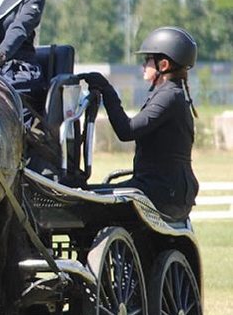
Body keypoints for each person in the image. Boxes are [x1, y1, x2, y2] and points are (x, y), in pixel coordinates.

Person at [78, 27, 200, 222]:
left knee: (84, 200)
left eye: (147, 60)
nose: (143, 66)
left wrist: (107, 91)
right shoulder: (170, 94)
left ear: (164, 64)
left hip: (162, 192)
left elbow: (127, 131)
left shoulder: (169, 96)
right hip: (163, 187)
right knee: (87, 195)